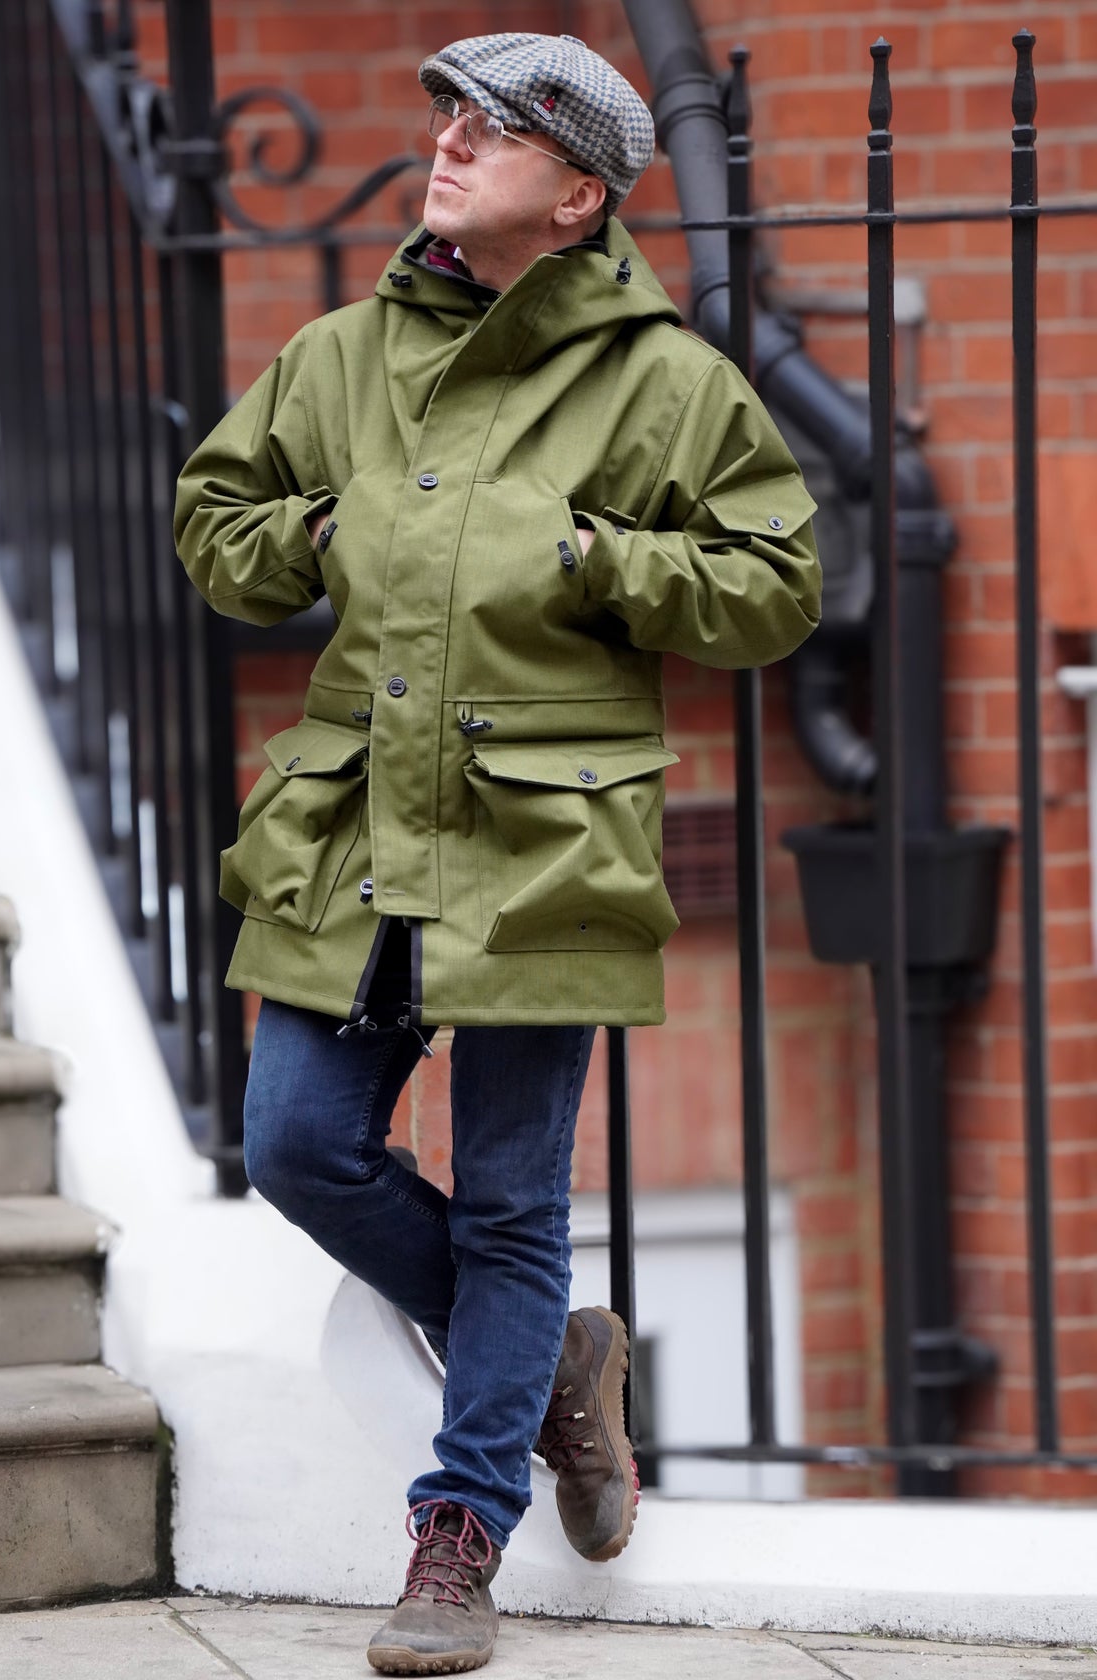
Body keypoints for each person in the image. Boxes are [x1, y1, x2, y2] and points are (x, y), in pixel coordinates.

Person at [175, 30, 821, 1677]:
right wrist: (320, 532)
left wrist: (595, 554)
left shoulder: (661, 379)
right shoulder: (340, 355)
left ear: (582, 191)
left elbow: (774, 581)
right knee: (299, 1146)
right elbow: (214, 524)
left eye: (496, 127)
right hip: (354, 831)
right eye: (446, 116)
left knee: (516, 1205)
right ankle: (547, 1376)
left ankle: (455, 1546)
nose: (449, 142)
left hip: (545, 840)